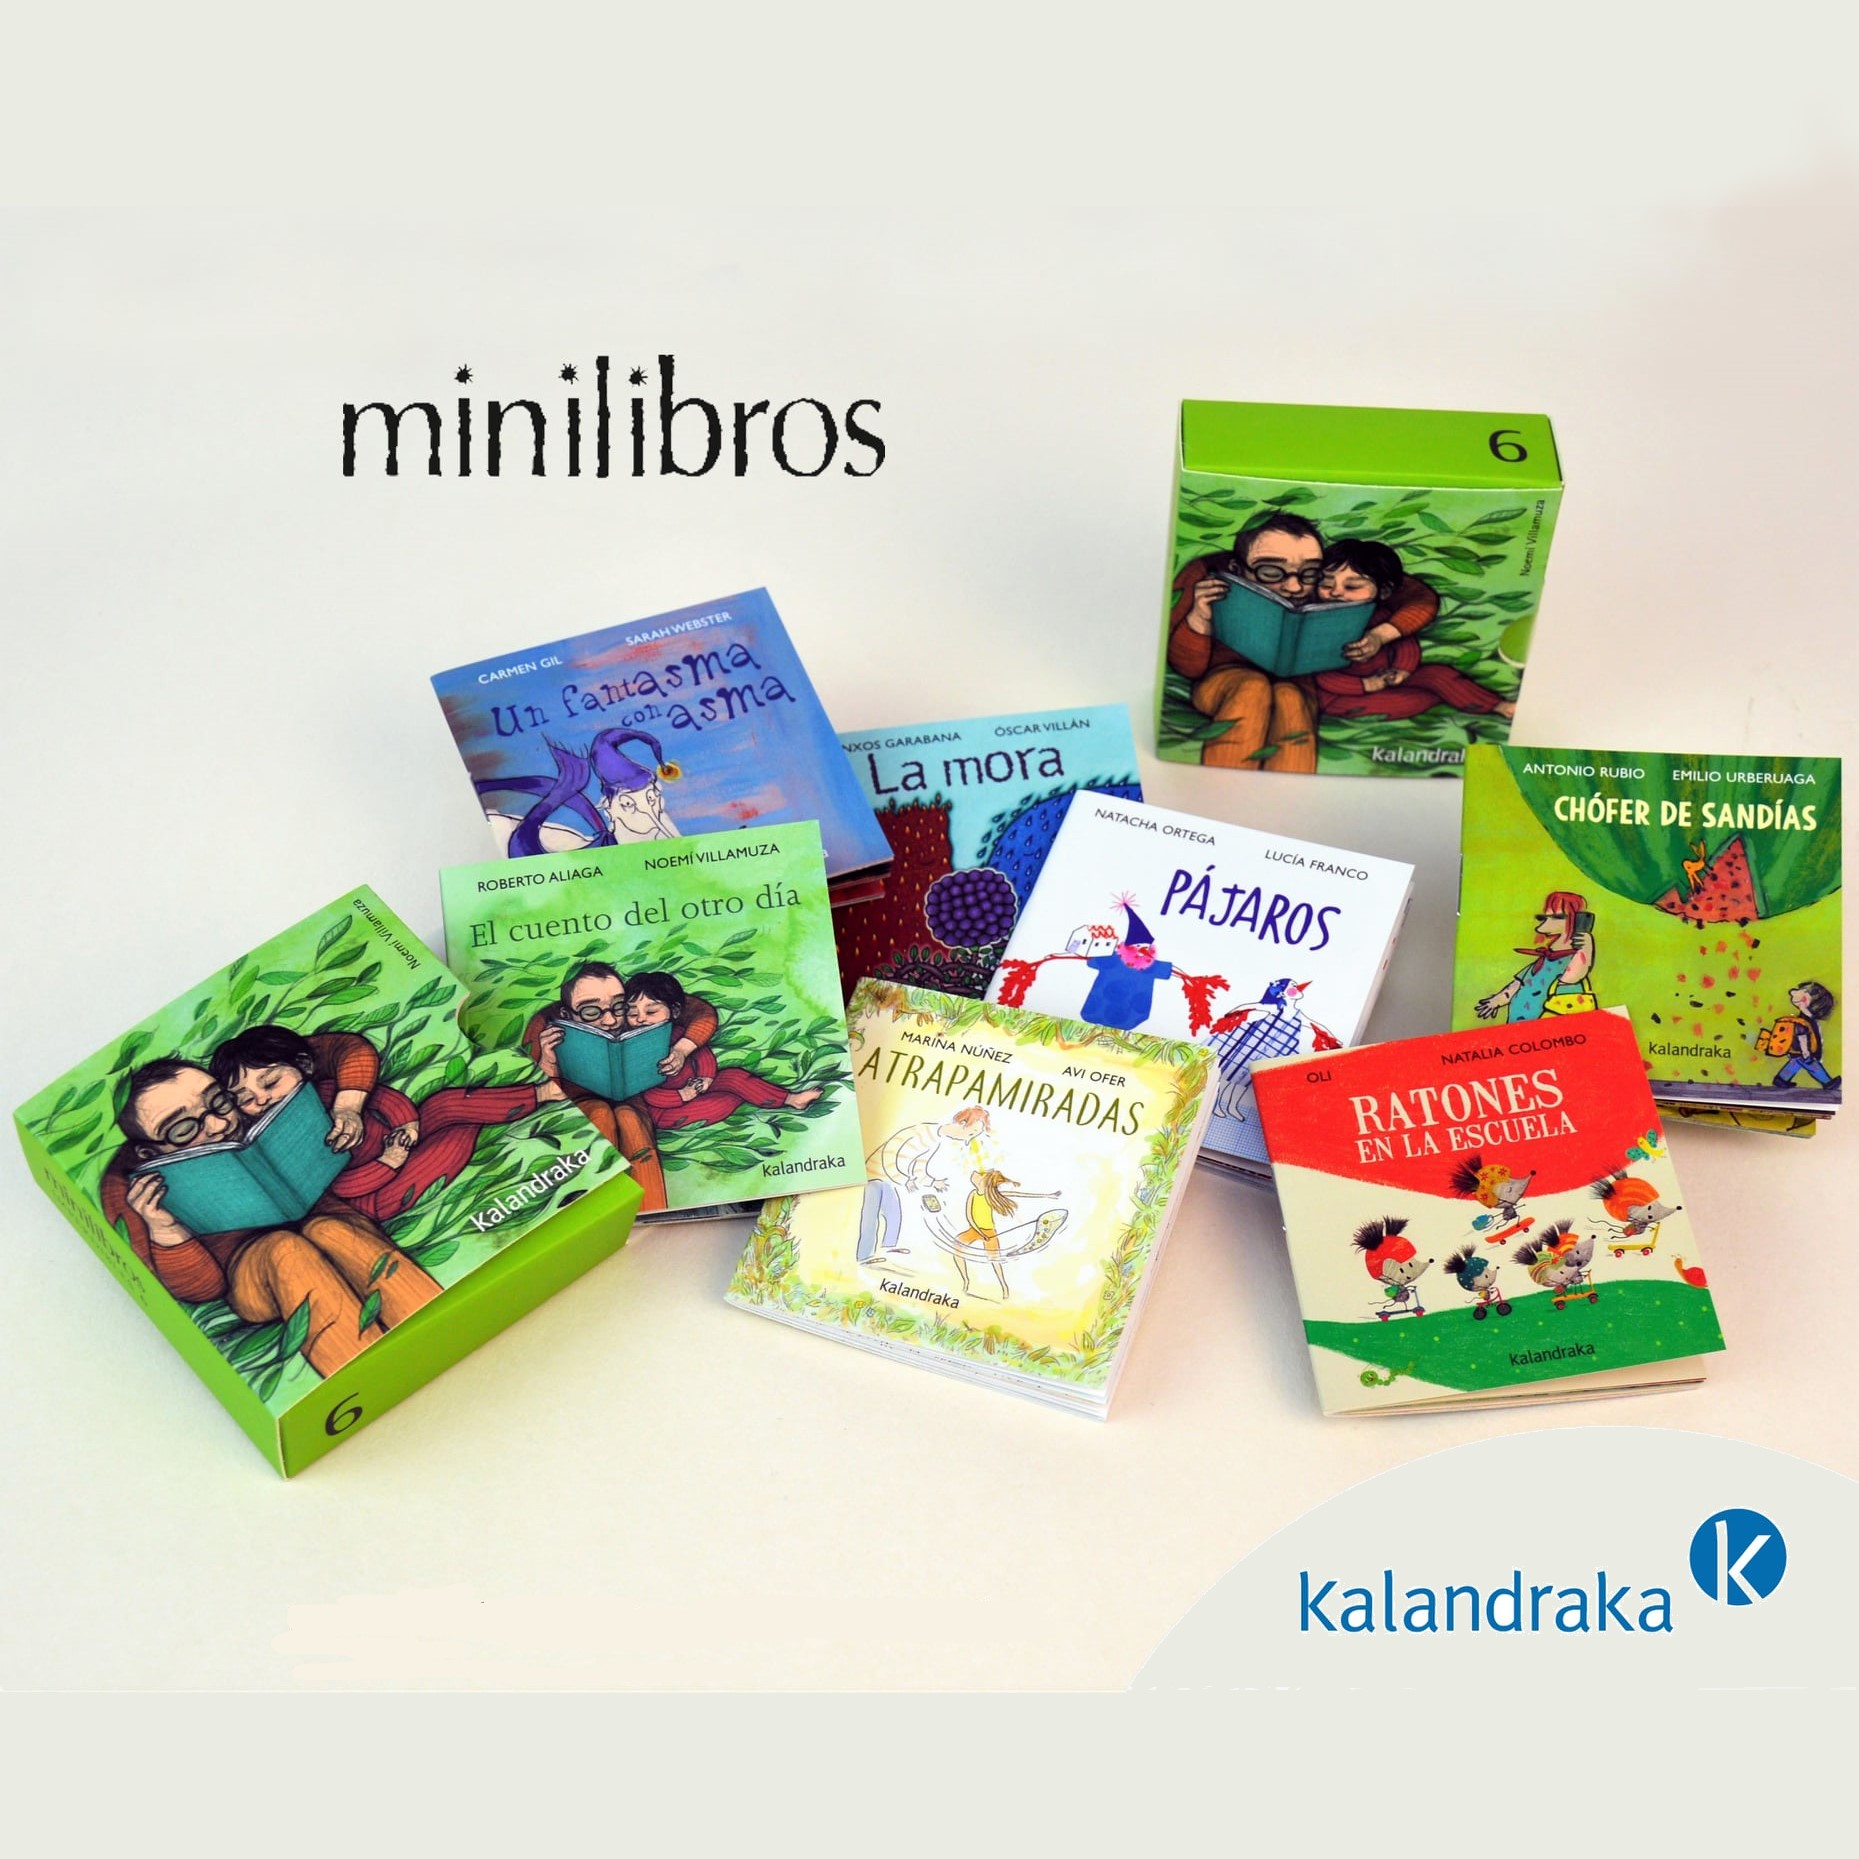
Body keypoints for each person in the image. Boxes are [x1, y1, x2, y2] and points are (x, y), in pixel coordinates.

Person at [99, 1054, 441, 1379]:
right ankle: (367, 1375)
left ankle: (437, 1324)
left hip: (332, 1222)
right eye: (182, 1129)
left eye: (218, 1101)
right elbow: (202, 1289)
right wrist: (167, 1229)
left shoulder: (255, 1105)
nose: (219, 1125)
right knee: (285, 1249)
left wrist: (348, 1106)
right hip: (252, 1271)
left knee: (330, 1230)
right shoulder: (131, 1189)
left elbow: (344, 1051)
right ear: (148, 1151)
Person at [209, 1023, 569, 1224]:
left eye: (270, 1083)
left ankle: (541, 1093)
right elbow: (339, 1185)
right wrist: (388, 1163)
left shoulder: (324, 1091)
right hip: (377, 1191)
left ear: (303, 1066)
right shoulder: (282, 1141)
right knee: (452, 1138)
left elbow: (385, 1100)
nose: (261, 1100)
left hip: (400, 1140)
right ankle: (481, 1118)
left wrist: (408, 1124)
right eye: (243, 1098)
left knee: (443, 1104)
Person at [523, 959, 722, 1213]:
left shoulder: (635, 1005)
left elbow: (702, 1012)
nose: (610, 1020)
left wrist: (682, 1050)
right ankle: (599, 1211)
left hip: (631, 1099)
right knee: (599, 1115)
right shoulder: (546, 1023)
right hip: (579, 1101)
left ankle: (652, 1210)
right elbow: (540, 1100)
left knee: (629, 1118)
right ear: (566, 1014)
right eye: (591, 1012)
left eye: (618, 1007)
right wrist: (549, 1063)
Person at [1167, 514, 1327, 772]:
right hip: (1222, 680)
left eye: (1309, 573)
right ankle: (1223, 787)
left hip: (1297, 687)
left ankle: (1289, 792)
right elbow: (1188, 667)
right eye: (1271, 572)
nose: (1294, 587)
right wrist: (1200, 618)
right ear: (1237, 568)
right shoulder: (1205, 575)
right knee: (1252, 687)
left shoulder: (1330, 584)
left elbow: (1399, 593)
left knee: (1290, 699)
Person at [1308, 539, 1515, 722]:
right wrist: (1365, 685)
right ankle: (1436, 697)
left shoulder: (1384, 615)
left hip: (1386, 677)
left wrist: (1403, 670)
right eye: (1326, 584)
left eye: (1352, 587)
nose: (1335, 592)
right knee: (1400, 702)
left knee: (1440, 675)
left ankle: (1499, 706)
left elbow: (1406, 644)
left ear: (1384, 591)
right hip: (1343, 691)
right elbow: (1321, 675)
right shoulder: (1320, 623)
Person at [623, 972, 822, 1129]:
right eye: (632, 1013)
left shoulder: (679, 1033)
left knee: (734, 1076)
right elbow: (648, 1094)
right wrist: (682, 1095)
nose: (640, 1019)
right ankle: (749, 1095)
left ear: (674, 1011)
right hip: (666, 1109)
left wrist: (707, 1078)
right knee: (722, 1102)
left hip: (697, 1087)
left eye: (651, 1011)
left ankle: (791, 1099)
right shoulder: (635, 1050)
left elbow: (703, 1055)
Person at [856, 1106, 990, 1264]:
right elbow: (890, 1157)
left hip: (888, 1179)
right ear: (962, 1123)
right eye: (971, 1133)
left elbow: (919, 1166)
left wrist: (932, 1182)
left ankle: (888, 1247)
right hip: (874, 1175)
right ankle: (864, 1255)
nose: (967, 1140)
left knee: (893, 1214)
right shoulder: (924, 1134)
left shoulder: (934, 1139)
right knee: (870, 1217)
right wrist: (904, 1179)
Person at [1474, 891, 1597, 1022]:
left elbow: (1571, 977)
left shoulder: (1573, 960)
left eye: (1557, 917)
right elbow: (1519, 984)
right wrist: (1496, 1001)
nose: (1543, 925)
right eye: (1544, 918)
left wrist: (1586, 948)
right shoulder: (1543, 961)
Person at [1772, 981, 1839, 1090]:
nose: (1793, 992)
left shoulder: (1808, 1018)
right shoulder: (1803, 1021)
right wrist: (1805, 1051)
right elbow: (1802, 1036)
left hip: (1798, 1050)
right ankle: (1828, 1082)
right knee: (1813, 1066)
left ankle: (1781, 1080)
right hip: (1803, 1050)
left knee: (1795, 1064)